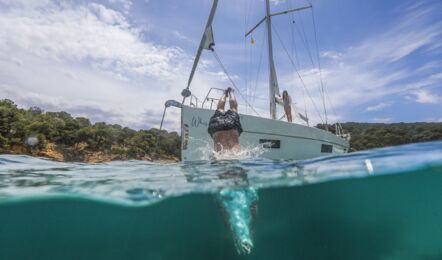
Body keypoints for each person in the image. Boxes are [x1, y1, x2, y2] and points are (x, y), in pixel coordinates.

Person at [207, 87, 243, 153]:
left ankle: (227, 93)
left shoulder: (219, 158)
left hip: (221, 126)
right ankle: (229, 92)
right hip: (220, 127)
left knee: (232, 108)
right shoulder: (234, 157)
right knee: (220, 108)